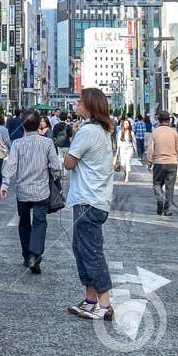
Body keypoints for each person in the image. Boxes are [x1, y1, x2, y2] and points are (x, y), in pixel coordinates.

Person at [64, 87, 116, 321]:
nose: (76, 103)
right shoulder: (101, 131)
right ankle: (90, 299)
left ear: (90, 106)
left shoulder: (87, 132)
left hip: (88, 200)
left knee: (91, 252)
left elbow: (69, 163)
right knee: (82, 250)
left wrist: (74, 136)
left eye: (80, 101)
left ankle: (104, 304)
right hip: (95, 199)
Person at [0, 111, 62, 273]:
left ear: (23, 126)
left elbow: (11, 165)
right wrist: (55, 178)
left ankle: (27, 255)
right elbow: (56, 167)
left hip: (23, 191)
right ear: (38, 125)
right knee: (40, 222)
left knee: (24, 222)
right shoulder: (47, 143)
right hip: (42, 190)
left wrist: (5, 184)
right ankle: (35, 254)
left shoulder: (17, 144)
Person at [147, 111, 178, 215]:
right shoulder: (174, 133)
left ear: (158, 120)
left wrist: (149, 161)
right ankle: (168, 209)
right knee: (170, 187)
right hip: (172, 163)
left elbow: (150, 149)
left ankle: (160, 199)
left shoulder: (155, 132)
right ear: (169, 120)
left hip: (159, 162)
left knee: (157, 183)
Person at [115, 118, 135, 182]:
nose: (126, 125)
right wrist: (117, 153)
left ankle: (127, 177)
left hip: (130, 149)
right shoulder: (120, 132)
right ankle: (125, 172)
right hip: (122, 149)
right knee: (123, 163)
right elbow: (118, 143)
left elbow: (134, 142)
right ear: (123, 125)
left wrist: (135, 150)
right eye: (125, 123)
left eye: (127, 123)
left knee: (128, 161)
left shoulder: (131, 133)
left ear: (129, 125)